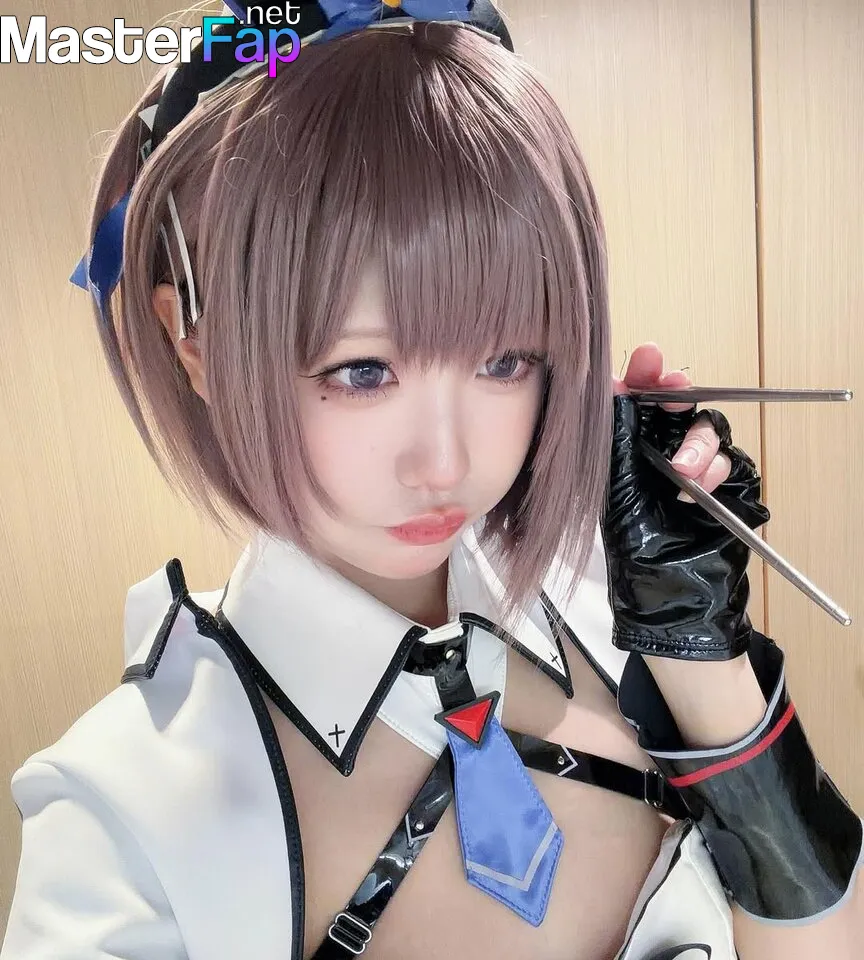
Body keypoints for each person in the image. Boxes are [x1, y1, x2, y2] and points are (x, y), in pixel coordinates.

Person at [2, 2, 862, 958]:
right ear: (193, 342)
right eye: (363, 371)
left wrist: (706, 665)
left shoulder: (609, 619)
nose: (448, 464)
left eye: (505, 361)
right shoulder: (122, 822)